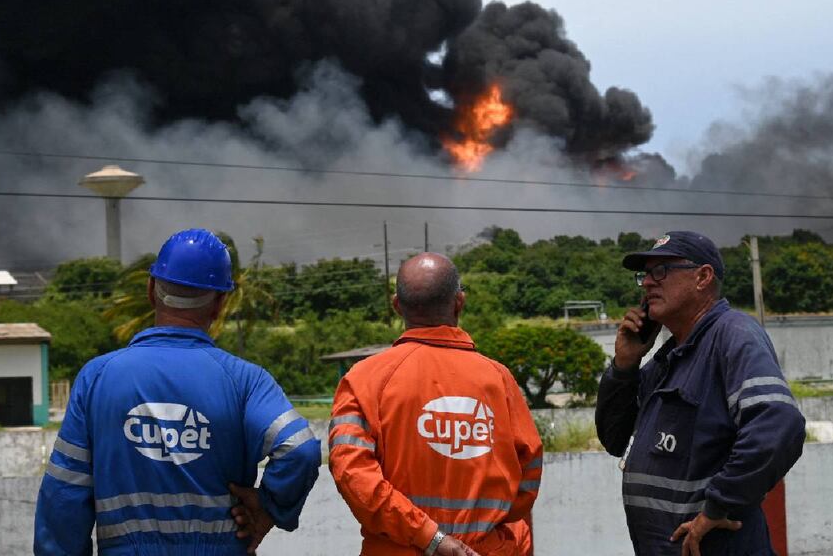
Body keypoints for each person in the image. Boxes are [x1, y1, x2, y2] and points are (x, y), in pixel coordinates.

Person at [34, 228, 321, 555]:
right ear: (220, 303)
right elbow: (300, 449)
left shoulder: (97, 377)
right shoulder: (245, 380)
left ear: (151, 289)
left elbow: (64, 495)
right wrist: (269, 506)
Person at [595, 231, 805, 556]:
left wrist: (717, 507)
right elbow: (613, 438)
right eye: (645, 275)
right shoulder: (668, 358)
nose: (648, 283)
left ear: (702, 277)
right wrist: (625, 365)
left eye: (661, 271)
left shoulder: (733, 335)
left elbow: (778, 424)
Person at [328, 253, 543, 556]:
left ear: (397, 305)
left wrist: (431, 537)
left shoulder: (363, 380)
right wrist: (484, 526)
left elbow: (352, 475)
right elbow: (529, 472)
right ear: (460, 302)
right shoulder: (500, 379)